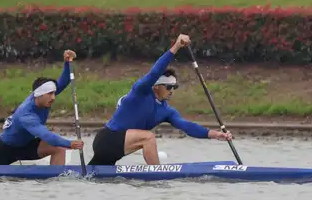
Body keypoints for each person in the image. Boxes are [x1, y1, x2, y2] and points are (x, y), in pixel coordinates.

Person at [87, 34, 233, 166]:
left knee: (96, 173)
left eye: (174, 87)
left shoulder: (167, 111)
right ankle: (158, 175)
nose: (172, 91)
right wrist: (176, 47)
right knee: (148, 137)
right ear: (156, 86)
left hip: (116, 152)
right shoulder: (141, 91)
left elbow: (187, 126)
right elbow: (155, 71)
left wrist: (215, 134)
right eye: (169, 87)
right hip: (106, 140)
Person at [0, 49, 84, 165]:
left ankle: (55, 180)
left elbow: (64, 81)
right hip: (6, 149)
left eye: (54, 93)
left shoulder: (43, 97)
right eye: (50, 94)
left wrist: (67, 63)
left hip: (27, 145)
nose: (53, 97)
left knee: (59, 149)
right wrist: (70, 144)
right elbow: (46, 135)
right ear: (39, 95)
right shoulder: (26, 114)